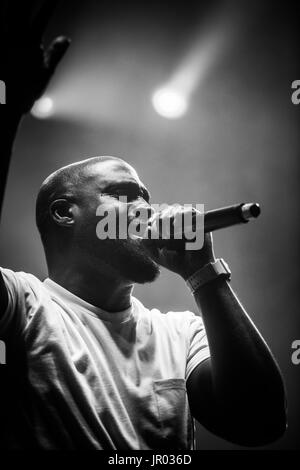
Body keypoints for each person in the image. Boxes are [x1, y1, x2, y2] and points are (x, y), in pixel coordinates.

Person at [0, 1, 287, 450]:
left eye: (148, 200)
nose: (147, 211)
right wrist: (6, 105)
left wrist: (203, 273)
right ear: (63, 213)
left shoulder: (182, 332)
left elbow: (260, 423)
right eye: (125, 196)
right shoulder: (22, 305)